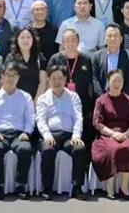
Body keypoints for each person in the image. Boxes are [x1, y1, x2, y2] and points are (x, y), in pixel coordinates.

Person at [36, 66, 90, 199]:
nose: (57, 81)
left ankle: (77, 188)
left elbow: (78, 118)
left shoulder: (73, 97)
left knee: (79, 149)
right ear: (48, 80)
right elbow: (40, 120)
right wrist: (47, 135)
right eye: (53, 78)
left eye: (60, 78)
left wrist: (76, 135)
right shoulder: (43, 98)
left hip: (69, 136)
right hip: (50, 135)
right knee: (48, 150)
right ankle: (47, 188)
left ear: (65, 79)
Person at [0, 67, 37, 199]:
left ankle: (21, 184)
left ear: (18, 78)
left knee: (25, 149)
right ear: (2, 77)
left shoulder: (25, 97)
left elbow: (30, 118)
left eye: (14, 75)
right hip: (0, 133)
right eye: (8, 75)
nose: (10, 78)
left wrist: (26, 132)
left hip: (19, 133)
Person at [92, 69, 129, 200]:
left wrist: (125, 134)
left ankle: (124, 188)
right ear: (108, 82)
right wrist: (113, 134)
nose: (117, 83)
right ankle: (110, 187)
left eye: (120, 80)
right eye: (114, 80)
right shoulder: (101, 100)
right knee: (112, 149)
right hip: (107, 135)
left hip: (125, 134)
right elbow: (97, 123)